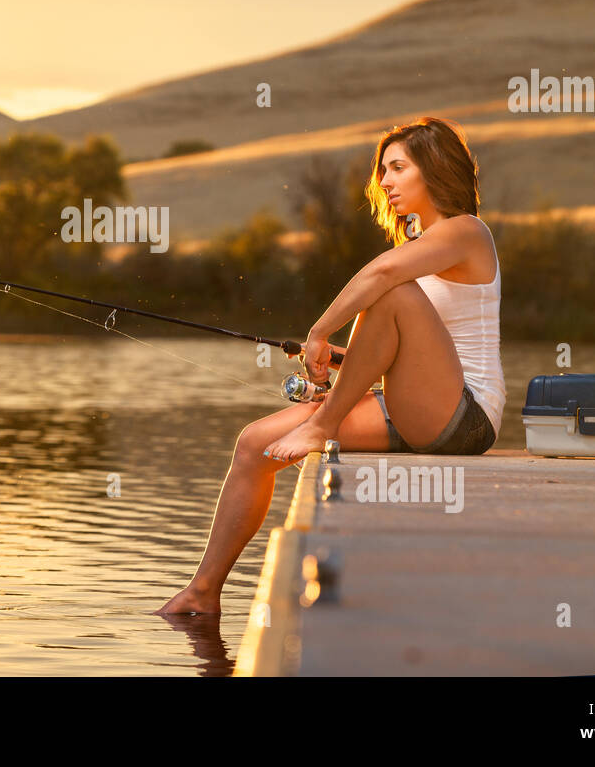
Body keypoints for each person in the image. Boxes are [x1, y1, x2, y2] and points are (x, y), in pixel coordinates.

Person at [154, 116, 505, 616]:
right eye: (383, 170)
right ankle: (204, 591)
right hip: (415, 409)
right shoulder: (422, 246)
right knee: (254, 445)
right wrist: (346, 359)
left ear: (435, 171)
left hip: (467, 419)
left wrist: (320, 333)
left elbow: (383, 277)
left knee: (388, 287)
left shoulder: (467, 232)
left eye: (397, 168)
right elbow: (411, 350)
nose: (384, 182)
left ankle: (323, 423)